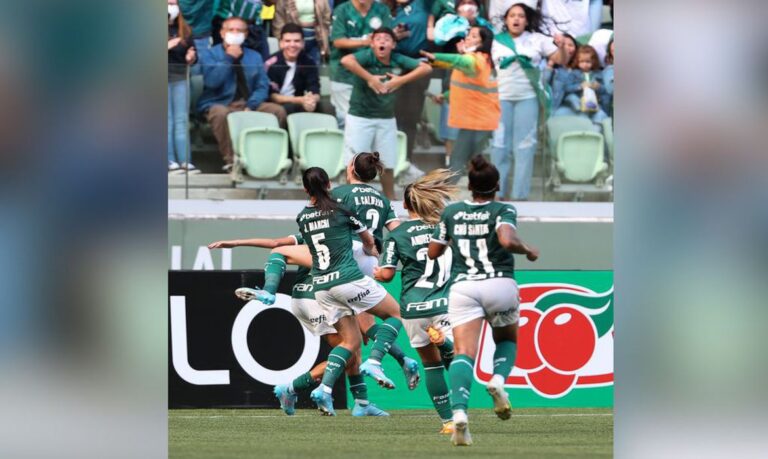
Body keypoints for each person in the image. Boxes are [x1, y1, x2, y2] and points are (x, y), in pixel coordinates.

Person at [207, 234, 389, 416]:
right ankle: (295, 388)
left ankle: (361, 402)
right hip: (321, 298)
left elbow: (275, 244)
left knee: (351, 352)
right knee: (349, 351)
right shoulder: (350, 247)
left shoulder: (313, 234)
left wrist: (237, 242)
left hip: (302, 298)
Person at [428, 155, 539, 446]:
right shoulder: (504, 208)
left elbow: (433, 252)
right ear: (497, 185)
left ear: (469, 186)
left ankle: (460, 414)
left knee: (464, 352)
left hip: (464, 287)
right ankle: (498, 380)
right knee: (507, 340)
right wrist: (527, 249)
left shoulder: (451, 213)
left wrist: (451, 235)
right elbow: (506, 240)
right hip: (498, 282)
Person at [294, 167, 406, 415]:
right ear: (329, 185)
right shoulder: (343, 210)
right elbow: (368, 240)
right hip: (348, 278)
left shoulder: (302, 217)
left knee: (352, 342)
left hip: (322, 287)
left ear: (305, 189)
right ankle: (376, 361)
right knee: (397, 314)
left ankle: (326, 391)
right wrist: (374, 252)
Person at [374, 168, 460, 434]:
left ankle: (447, 423)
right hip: (444, 303)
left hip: (412, 308)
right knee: (457, 359)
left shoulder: (397, 235)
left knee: (430, 366)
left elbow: (387, 275)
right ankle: (446, 345)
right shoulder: (447, 227)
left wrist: (377, 272)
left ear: (405, 205)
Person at [340, 27, 432, 200]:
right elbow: (346, 60)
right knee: (354, 163)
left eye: (387, 39)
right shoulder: (366, 56)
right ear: (372, 43)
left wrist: (401, 80)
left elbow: (425, 68)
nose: (382, 41)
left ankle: (390, 201)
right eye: (378, 38)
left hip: (387, 119)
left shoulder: (397, 59)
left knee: (387, 163)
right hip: (360, 117)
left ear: (394, 44)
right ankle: (350, 200)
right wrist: (370, 78)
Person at [490, 3, 564, 201]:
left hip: (528, 98)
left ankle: (519, 197)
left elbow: (560, 59)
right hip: (500, 99)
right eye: (512, 15)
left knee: (524, 146)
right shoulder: (495, 40)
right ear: (506, 20)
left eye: (521, 16)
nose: (516, 19)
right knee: (499, 147)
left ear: (527, 20)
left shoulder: (536, 39)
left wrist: (562, 45)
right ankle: (497, 195)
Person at [197, 16, 287, 172]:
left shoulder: (254, 56)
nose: (235, 33)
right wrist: (228, 58)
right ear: (222, 32)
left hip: (249, 103)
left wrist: (251, 105)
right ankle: (232, 161)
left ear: (246, 34)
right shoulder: (210, 54)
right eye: (231, 30)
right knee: (220, 113)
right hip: (221, 103)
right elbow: (212, 82)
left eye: (239, 30)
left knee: (277, 111)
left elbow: (262, 85)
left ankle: (268, 158)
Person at [420, 26, 500, 181]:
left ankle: (450, 194)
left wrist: (434, 57)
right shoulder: (483, 60)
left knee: (460, 159)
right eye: (468, 35)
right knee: (471, 159)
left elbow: (459, 61)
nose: (468, 38)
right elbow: (473, 88)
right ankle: (481, 191)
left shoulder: (474, 59)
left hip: (476, 121)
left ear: (483, 42)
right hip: (478, 120)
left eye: (474, 36)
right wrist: (446, 95)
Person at [328, 0, 394, 128]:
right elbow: (338, 41)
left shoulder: (382, 10)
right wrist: (365, 42)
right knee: (346, 121)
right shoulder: (342, 10)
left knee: (370, 122)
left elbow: (385, 41)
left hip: (374, 76)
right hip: (344, 76)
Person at [384, 0, 432, 171]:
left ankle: (406, 161)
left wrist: (431, 23)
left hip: (417, 65)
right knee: (390, 118)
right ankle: (388, 163)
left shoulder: (423, 4)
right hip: (390, 64)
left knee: (410, 118)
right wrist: (393, 35)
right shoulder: (382, 8)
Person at [168, 0, 200, 174]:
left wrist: (191, 56)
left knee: (181, 121)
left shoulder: (185, 30)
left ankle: (185, 161)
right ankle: (168, 159)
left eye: (173, 3)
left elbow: (196, 58)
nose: (171, 7)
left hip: (180, 78)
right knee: (166, 121)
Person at [264, 23, 323, 115]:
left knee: (320, 107)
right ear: (281, 43)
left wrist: (311, 100)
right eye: (287, 41)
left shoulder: (309, 62)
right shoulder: (270, 62)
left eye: (297, 41)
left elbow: (315, 89)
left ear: (303, 43)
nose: (292, 45)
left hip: (299, 102)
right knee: (288, 109)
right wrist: (300, 100)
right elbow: (272, 96)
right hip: (275, 104)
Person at [273, 0, 332, 65]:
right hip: (292, 38)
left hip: (316, 37)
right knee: (293, 68)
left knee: (313, 66)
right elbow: (279, 19)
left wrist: (324, 31)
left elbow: (327, 15)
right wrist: (282, 38)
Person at [562, 44, 608, 124]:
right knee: (582, 117)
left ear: (593, 61)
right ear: (577, 61)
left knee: (601, 115)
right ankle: (584, 129)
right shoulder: (574, 73)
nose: (585, 64)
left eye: (588, 62)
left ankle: (596, 130)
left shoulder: (598, 74)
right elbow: (567, 88)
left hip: (595, 102)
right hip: (580, 102)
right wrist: (580, 86)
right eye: (582, 62)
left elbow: (605, 90)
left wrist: (598, 87)